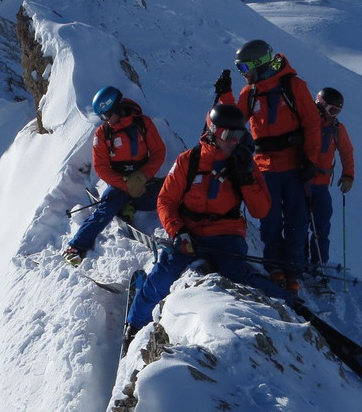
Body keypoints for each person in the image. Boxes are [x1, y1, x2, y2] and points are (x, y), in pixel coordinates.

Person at [124, 104, 290, 346]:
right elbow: (166, 200)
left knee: (237, 274)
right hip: (188, 232)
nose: (233, 142)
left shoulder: (244, 166)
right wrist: (178, 231)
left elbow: (261, 209)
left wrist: (246, 177)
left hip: (226, 233)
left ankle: (286, 301)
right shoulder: (188, 161)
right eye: (228, 136)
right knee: (164, 272)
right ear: (213, 131)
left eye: (239, 136)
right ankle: (135, 324)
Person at [215, 39, 323, 294]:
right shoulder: (250, 93)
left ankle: (293, 271)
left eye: (244, 69)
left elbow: (312, 124)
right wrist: (224, 94)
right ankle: (275, 268)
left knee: (296, 221)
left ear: (258, 65)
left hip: (295, 166)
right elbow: (235, 121)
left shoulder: (293, 86)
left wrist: (310, 160)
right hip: (265, 169)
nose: (244, 75)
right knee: (270, 220)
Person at [64, 86, 167, 266]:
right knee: (105, 211)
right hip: (120, 184)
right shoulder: (103, 134)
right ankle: (76, 246)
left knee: (167, 193)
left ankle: (129, 204)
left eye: (106, 115)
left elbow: (159, 152)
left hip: (144, 181)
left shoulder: (144, 124)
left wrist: (142, 176)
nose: (105, 120)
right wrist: (125, 184)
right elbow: (101, 167)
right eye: (103, 117)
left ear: (117, 109)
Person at [307, 87, 354, 270]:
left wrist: (348, 175)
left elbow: (347, 152)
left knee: (321, 226)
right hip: (301, 182)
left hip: (321, 185)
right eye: (332, 110)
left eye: (337, 112)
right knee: (298, 224)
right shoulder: (305, 121)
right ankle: (298, 261)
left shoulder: (336, 128)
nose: (334, 115)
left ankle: (319, 263)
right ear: (321, 104)